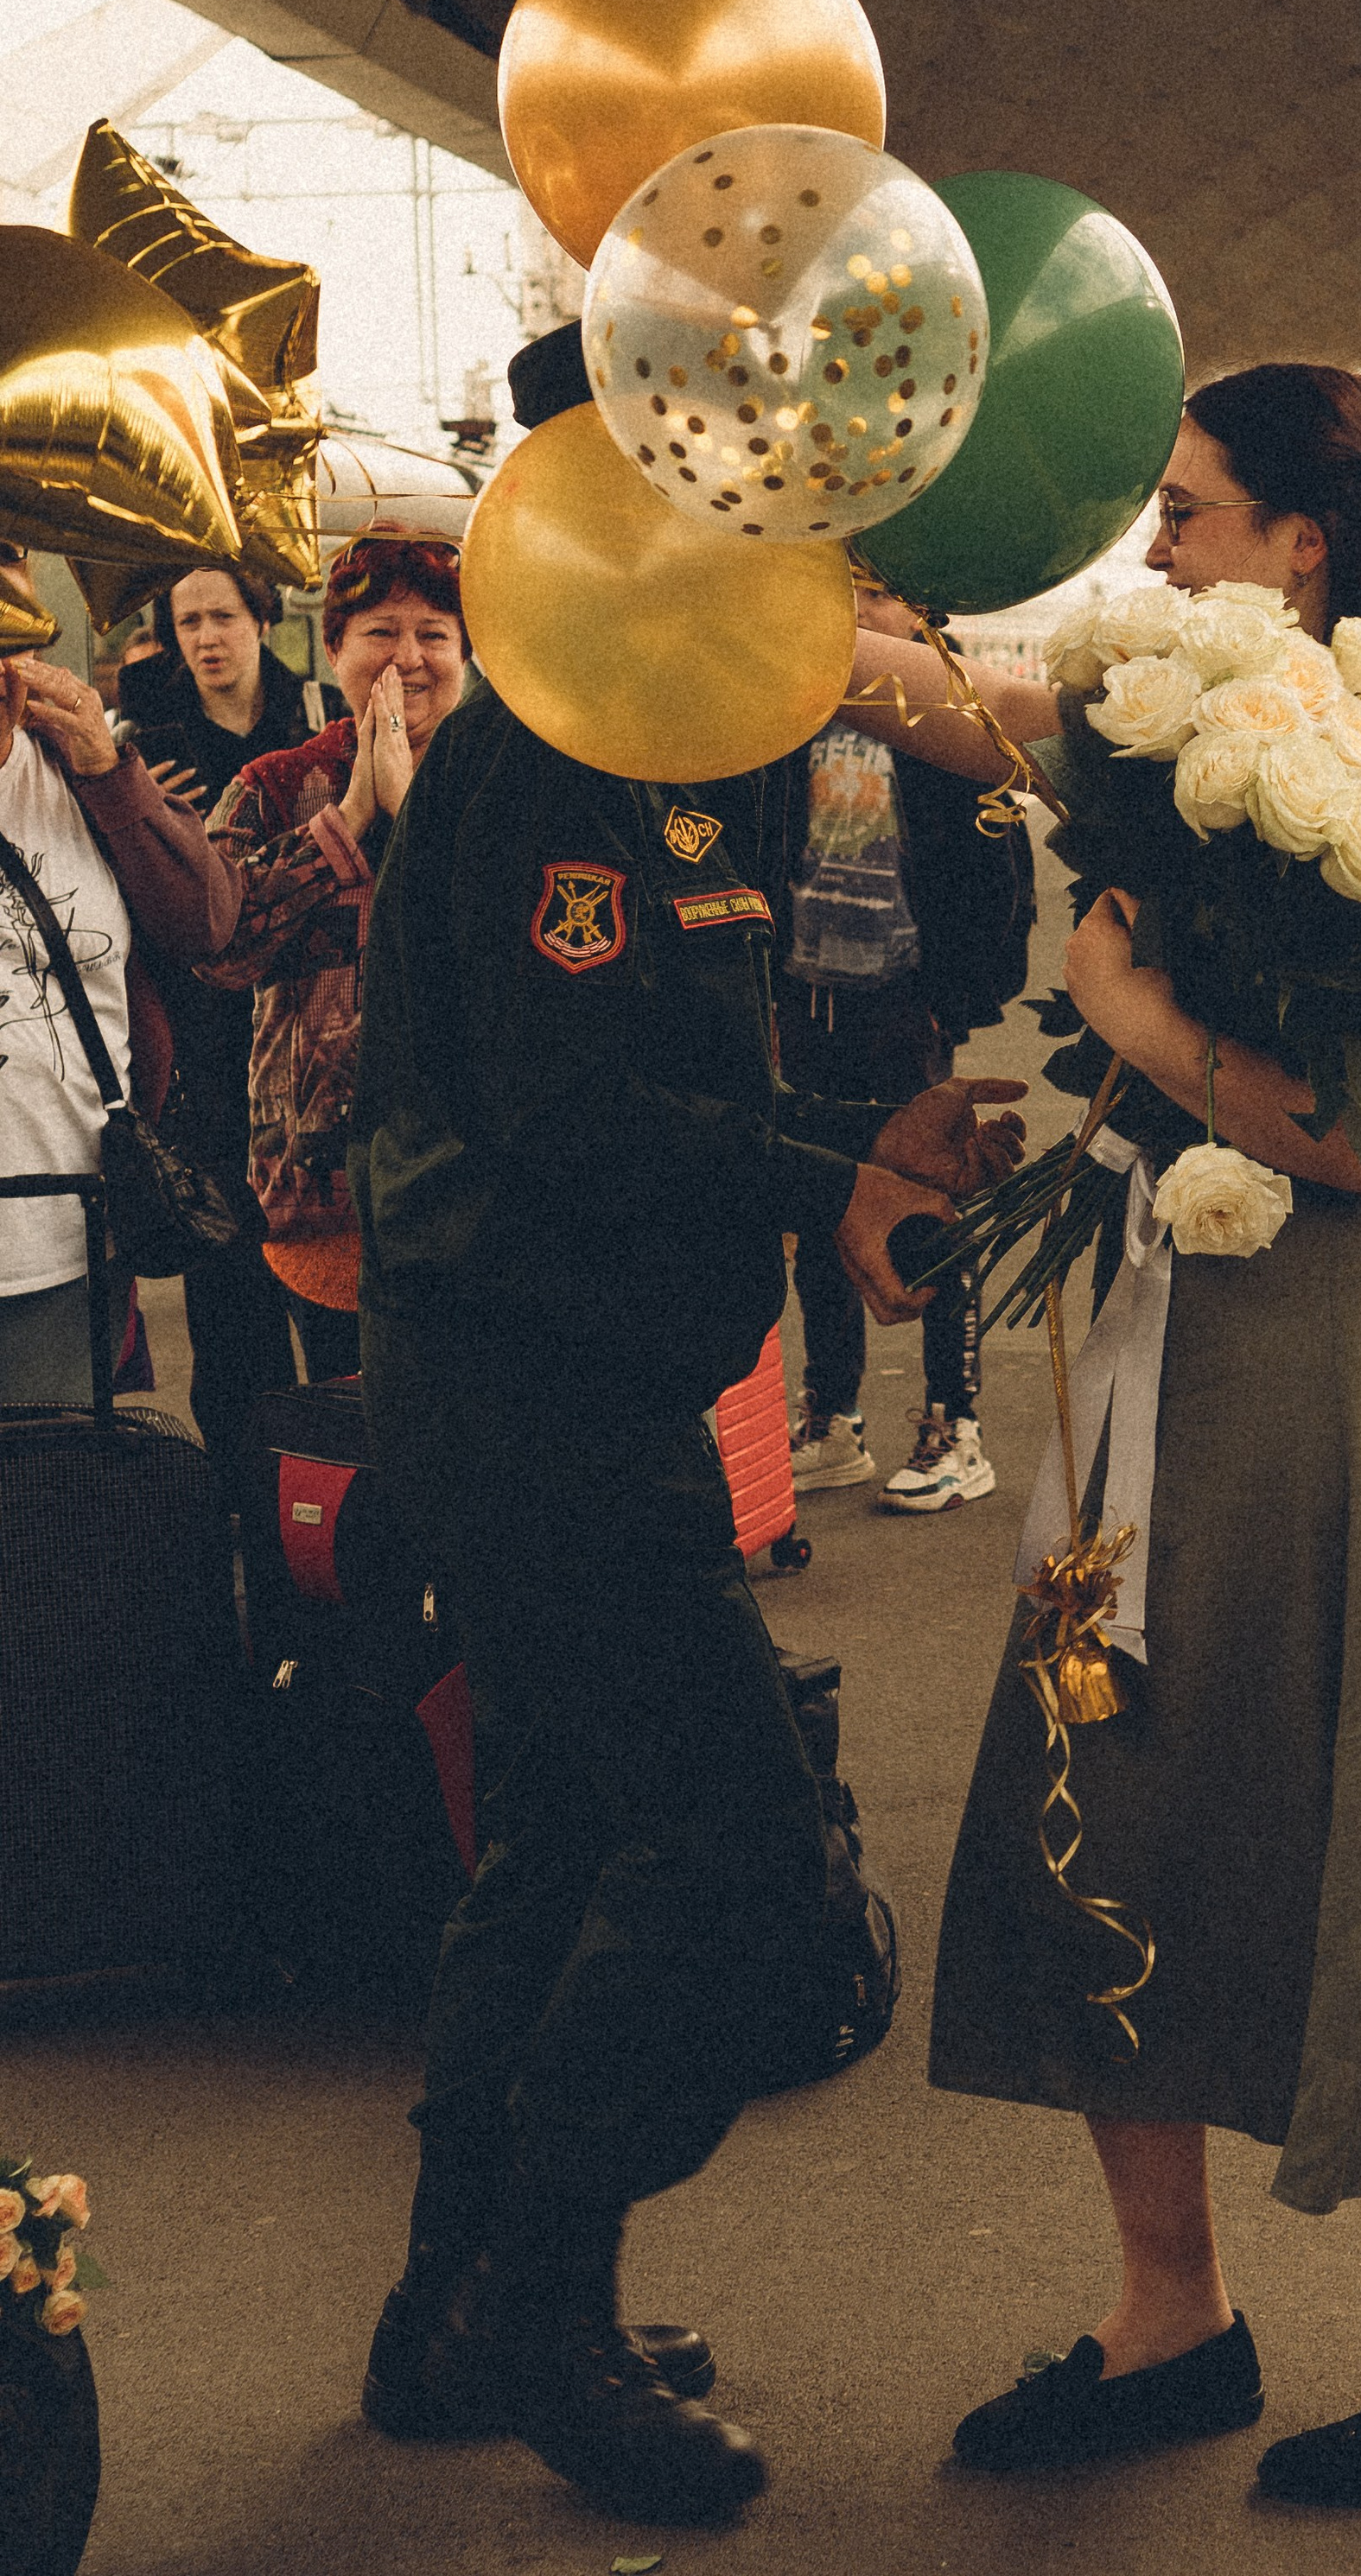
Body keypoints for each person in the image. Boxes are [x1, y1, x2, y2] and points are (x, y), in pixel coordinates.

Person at [898, 365, 1361, 2515]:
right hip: (1160, 1346)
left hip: (1339, 1377)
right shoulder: (1166, 739)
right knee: (1093, 1764)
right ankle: (1167, 2311)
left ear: (1304, 543)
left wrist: (1131, 1027)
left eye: (1188, 514)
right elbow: (931, 699)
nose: (1155, 549)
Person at [347, 327, 1027, 2528]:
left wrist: (859, 1132)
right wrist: (820, 1180)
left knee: (556, 1841)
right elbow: (562, 1108)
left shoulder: (685, 736)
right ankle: (547, 2299)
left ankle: (452, 2310)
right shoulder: (553, 745)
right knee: (737, 1863)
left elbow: (691, 1069)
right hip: (525, 1384)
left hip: (591, 1371)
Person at [775, 589, 1036, 1513]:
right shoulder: (790, 703)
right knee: (817, 1208)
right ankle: (832, 1418)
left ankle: (953, 1424)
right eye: (843, 586)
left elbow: (1000, 888)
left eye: (879, 594)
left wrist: (948, 1005)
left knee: (932, 1209)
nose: (854, 607)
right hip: (803, 1004)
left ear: (924, 617)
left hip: (904, 1012)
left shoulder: (949, 722)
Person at [200, 533, 472, 1380]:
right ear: (333, 647)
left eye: (435, 633)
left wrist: (415, 817)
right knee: (353, 1432)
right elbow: (217, 951)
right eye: (382, 633)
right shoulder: (271, 786)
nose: (410, 659)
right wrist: (350, 817)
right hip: (325, 1192)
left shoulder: (498, 784)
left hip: (478, 1182)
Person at [114, 567, 314, 1643]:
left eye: (220, 617)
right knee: (233, 1356)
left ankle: (349, 1559)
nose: (204, 639)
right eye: (186, 622)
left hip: (316, 1082)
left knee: (337, 1344)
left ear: (261, 622)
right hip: (207, 1085)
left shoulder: (318, 720)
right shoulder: (144, 741)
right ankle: (261, 1570)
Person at [0, 559, 240, 1404]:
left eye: (16, 639)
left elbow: (206, 921)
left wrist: (109, 767)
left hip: (70, 1242)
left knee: (52, 1513)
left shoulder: (70, 771)